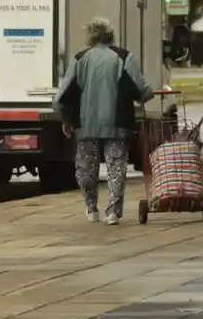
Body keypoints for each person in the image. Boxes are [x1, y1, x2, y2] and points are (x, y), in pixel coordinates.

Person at [53, 18, 154, 225]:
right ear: (111, 35)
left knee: (86, 169)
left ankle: (91, 208)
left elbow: (61, 96)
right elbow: (142, 90)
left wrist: (66, 119)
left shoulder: (79, 59)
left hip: (85, 124)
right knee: (116, 167)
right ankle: (113, 213)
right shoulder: (124, 57)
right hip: (118, 123)